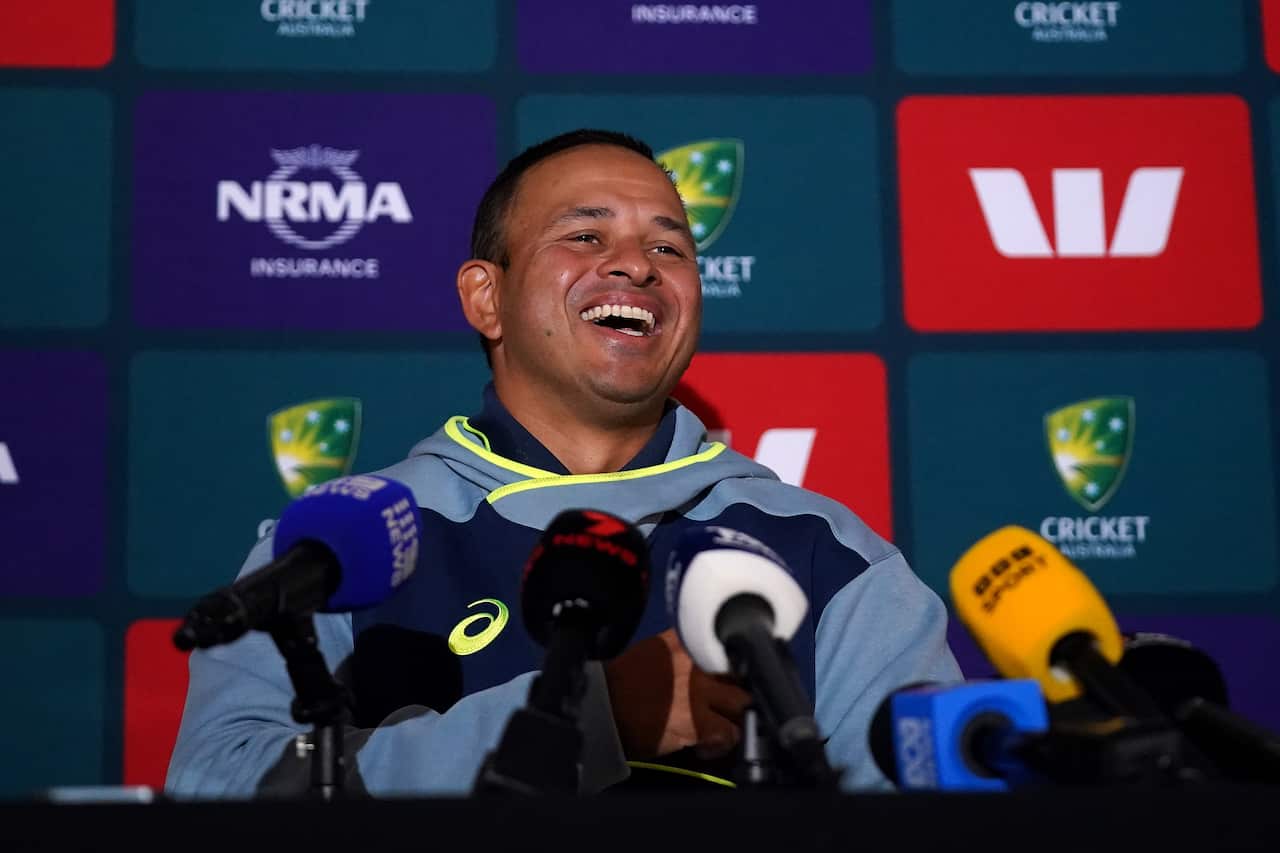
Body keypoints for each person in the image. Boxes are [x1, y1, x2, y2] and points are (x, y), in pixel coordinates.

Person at [165, 129, 961, 797]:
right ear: (486, 298)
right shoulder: (342, 543)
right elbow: (218, 786)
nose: (637, 265)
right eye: (585, 235)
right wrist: (594, 717)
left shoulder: (824, 551)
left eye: (668, 246)